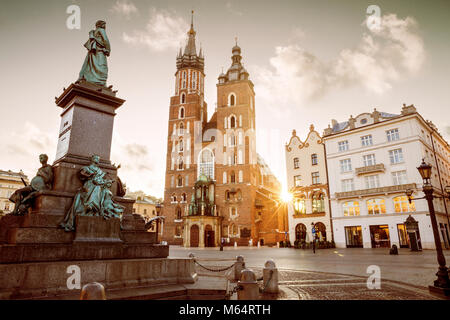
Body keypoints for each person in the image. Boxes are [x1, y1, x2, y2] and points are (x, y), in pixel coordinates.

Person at [78, 20, 110, 86]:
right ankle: (100, 82)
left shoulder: (93, 33)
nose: (105, 26)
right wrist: (108, 50)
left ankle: (91, 80)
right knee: (102, 67)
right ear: (100, 25)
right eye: (104, 24)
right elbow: (105, 40)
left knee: (92, 67)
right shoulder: (101, 30)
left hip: (93, 52)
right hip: (100, 51)